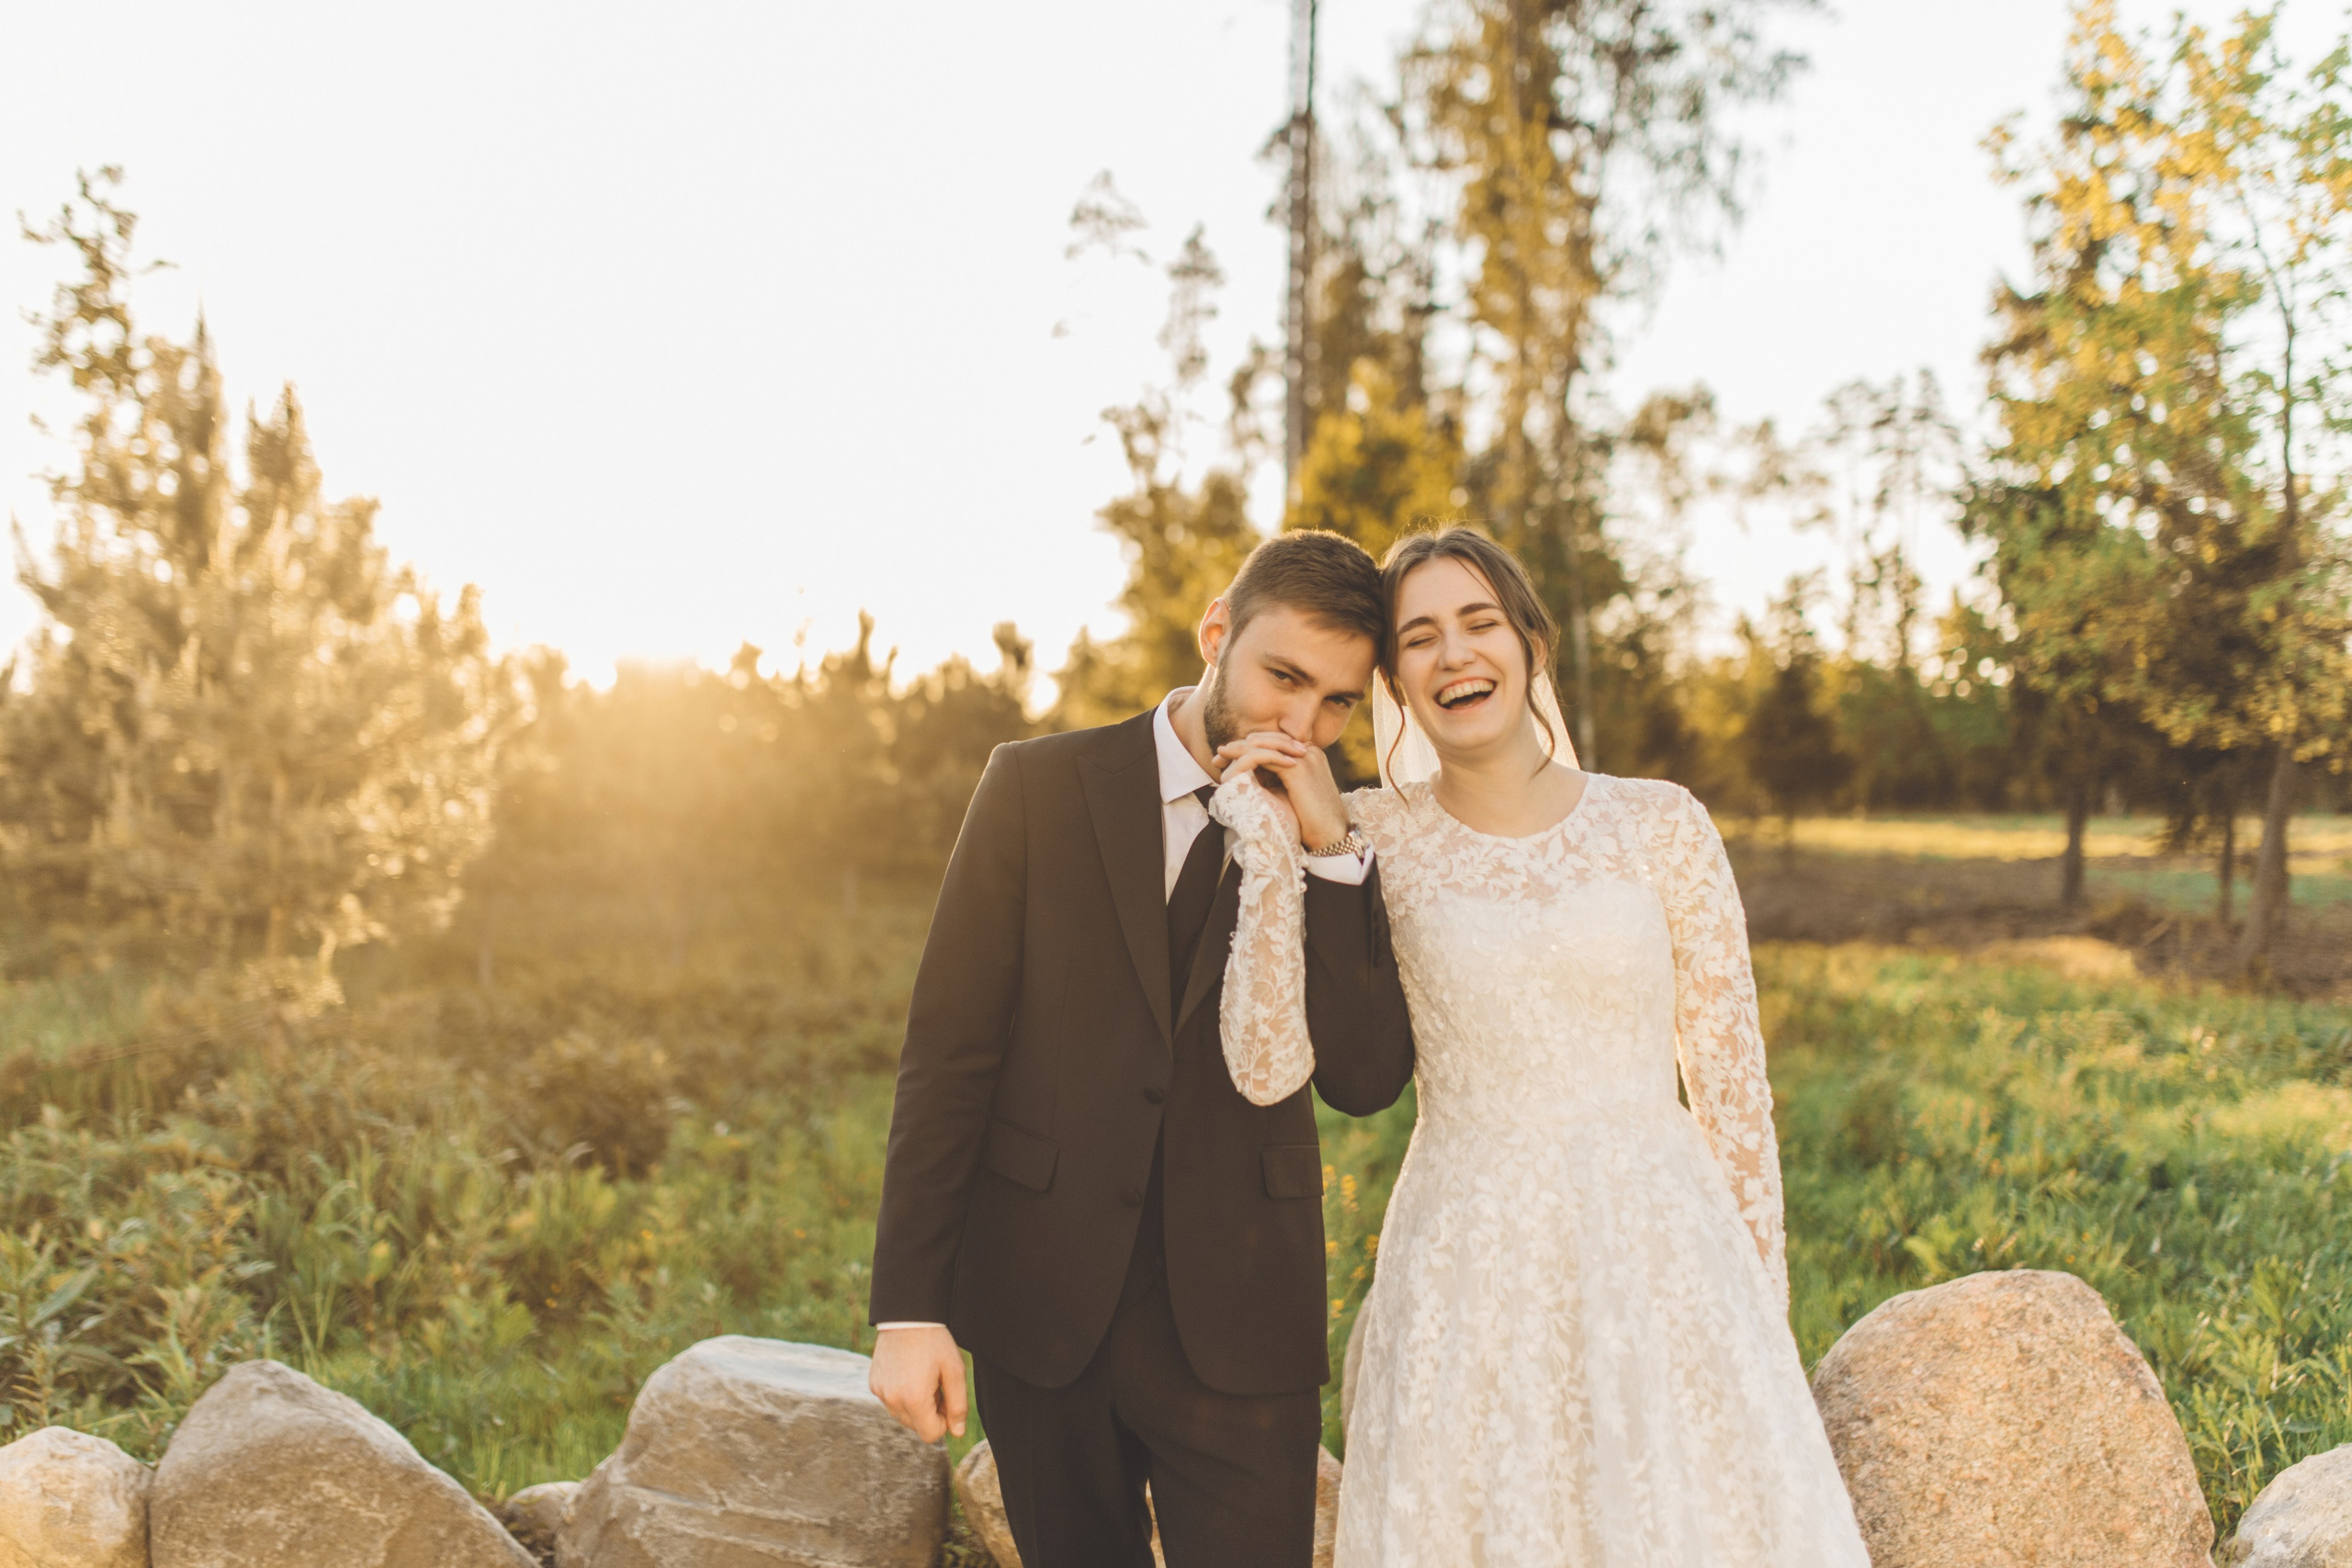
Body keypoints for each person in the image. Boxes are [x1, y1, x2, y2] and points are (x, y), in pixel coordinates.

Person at [1210, 525, 1872, 1567]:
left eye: (1479, 623)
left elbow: (1732, 1083)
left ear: (1530, 644)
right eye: (1420, 638)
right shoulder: (1364, 832)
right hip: (1468, 1260)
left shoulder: (1661, 825)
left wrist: (1756, 1309)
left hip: (1662, 1248)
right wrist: (1279, 841)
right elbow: (1264, 1061)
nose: (1455, 655)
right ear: (1392, 679)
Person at [866, 530, 1416, 1568]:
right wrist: (908, 1308)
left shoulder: (1337, 833)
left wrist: (1332, 858)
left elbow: (1364, 1078)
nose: (1302, 726)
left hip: (1242, 1325)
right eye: (1282, 678)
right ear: (1216, 632)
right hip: (1043, 1309)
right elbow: (948, 1056)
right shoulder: (1035, 786)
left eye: (1338, 702)